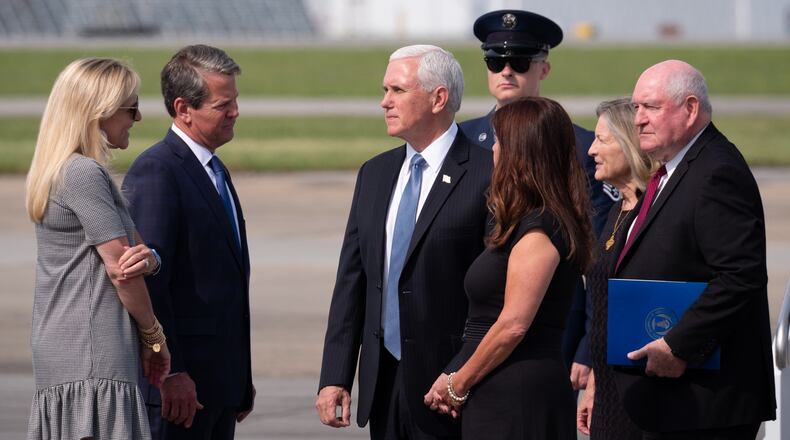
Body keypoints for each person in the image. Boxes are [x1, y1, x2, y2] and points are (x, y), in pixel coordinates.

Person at [315, 45, 492, 439]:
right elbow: (353, 281)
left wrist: (460, 373)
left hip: (452, 386)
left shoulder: (487, 174)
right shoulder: (375, 174)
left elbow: (496, 295)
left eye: (397, 90)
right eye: (384, 90)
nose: (384, 102)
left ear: (438, 98)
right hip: (384, 383)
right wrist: (335, 375)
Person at [613, 60, 775, 439]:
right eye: (636, 107)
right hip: (673, 400)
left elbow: (741, 275)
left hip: (705, 404)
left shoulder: (716, 172)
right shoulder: (673, 168)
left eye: (650, 107)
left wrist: (678, 346)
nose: (638, 119)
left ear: (690, 109)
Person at [459, 9, 616, 388]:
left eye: (521, 61)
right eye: (496, 62)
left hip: (551, 329)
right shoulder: (461, 142)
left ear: (543, 69)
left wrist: (588, 347)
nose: (507, 71)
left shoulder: (579, 148)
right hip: (470, 322)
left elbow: (599, 258)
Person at [424, 97, 594, 439]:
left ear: (521, 152)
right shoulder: (523, 222)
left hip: (518, 396)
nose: (494, 150)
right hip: (496, 386)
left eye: (501, 141)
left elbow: (513, 325)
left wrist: (459, 383)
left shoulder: (539, 230)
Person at [25, 57, 170, 440]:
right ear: (99, 112)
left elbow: (137, 253)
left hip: (65, 343)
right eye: (131, 107)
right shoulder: (83, 174)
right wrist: (154, 338)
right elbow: (122, 270)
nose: (137, 117)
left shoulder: (61, 169)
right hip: (93, 347)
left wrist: (151, 259)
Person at [122, 45, 254, 440]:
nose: (234, 112)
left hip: (218, 388)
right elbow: (149, 282)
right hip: (181, 395)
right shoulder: (158, 172)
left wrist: (238, 378)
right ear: (183, 109)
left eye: (235, 102)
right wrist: (171, 371)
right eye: (222, 105)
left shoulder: (213, 169)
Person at [576, 98, 655, 439]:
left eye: (602, 140)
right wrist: (594, 379)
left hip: (643, 389)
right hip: (609, 382)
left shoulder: (654, 212)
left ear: (630, 145)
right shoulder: (616, 210)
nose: (592, 150)